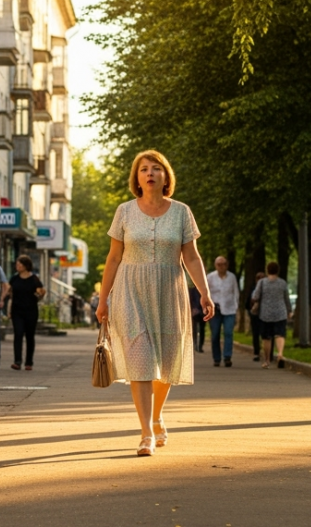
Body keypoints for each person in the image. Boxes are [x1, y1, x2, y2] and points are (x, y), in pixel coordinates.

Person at [95, 149, 213, 456]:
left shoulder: (181, 212)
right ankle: (146, 432)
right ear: (137, 178)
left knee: (167, 364)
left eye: (156, 168)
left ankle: (157, 415)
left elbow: (191, 256)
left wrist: (205, 292)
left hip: (169, 292)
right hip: (130, 291)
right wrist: (103, 299)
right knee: (142, 362)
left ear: (165, 176)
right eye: (144, 169)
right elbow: (114, 257)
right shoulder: (124, 212)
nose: (149, 173)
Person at [5, 255, 45, 371]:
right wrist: (8, 308)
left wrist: (40, 294)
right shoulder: (14, 279)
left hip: (31, 310)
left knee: (29, 336)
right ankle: (17, 361)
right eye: (16, 265)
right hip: (17, 310)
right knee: (18, 334)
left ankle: (29, 362)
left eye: (20, 264)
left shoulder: (34, 279)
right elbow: (10, 294)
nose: (17, 266)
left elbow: (40, 293)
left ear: (26, 266)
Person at [251, 261, 292, 368]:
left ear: (267, 270)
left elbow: (255, 296)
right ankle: (280, 354)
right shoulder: (282, 283)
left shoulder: (262, 282)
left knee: (266, 338)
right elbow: (286, 298)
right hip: (280, 312)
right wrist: (289, 310)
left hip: (266, 313)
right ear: (278, 270)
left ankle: (267, 360)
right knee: (280, 334)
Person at [206, 256, 240, 368]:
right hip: (215, 309)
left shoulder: (232, 277)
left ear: (227, 264)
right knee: (215, 334)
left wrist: (236, 309)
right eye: (219, 264)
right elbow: (206, 293)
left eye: (224, 264)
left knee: (228, 333)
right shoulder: (210, 277)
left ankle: (227, 357)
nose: (221, 266)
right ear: (215, 265)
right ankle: (216, 358)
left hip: (229, 309)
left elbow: (236, 293)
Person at [249, 271, 266, 362]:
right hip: (255, 315)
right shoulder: (253, 288)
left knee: (266, 334)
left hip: (266, 315)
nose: (260, 280)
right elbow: (248, 302)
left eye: (262, 278)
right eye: (258, 278)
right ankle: (256, 353)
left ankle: (268, 353)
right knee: (256, 334)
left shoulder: (268, 288)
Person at [188, 284, 206, 352]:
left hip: (203, 312)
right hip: (194, 312)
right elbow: (190, 300)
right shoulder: (192, 290)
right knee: (194, 329)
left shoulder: (205, 291)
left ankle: (200, 345)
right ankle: (195, 344)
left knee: (202, 329)